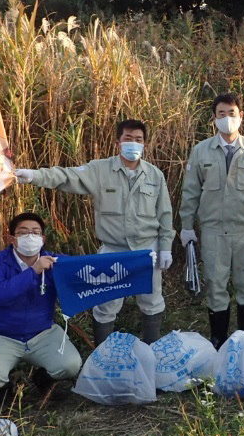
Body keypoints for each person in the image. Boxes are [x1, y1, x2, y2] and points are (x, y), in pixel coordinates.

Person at [15, 119, 175, 347]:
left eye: (138, 140)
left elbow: (165, 215)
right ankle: (102, 356)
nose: (133, 144)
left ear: (144, 144)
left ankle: (151, 352)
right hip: (112, 250)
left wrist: (166, 247)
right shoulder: (100, 170)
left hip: (145, 251)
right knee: (106, 305)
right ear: (118, 141)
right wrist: (34, 176)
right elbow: (67, 176)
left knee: (152, 301)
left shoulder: (154, 175)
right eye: (128, 139)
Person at [179, 93, 244, 344]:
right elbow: (190, 192)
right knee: (216, 286)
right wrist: (186, 227)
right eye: (221, 114)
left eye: (232, 113)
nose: (227, 118)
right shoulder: (201, 151)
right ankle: (218, 342)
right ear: (214, 119)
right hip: (213, 232)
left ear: (241, 116)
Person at [0, 212, 83, 409]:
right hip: (1, 335)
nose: (30, 237)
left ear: (42, 239)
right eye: (23, 233)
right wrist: (34, 271)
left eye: (35, 232)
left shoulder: (54, 261)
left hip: (42, 333)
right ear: (12, 239)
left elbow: (84, 271)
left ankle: (43, 379)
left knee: (71, 365)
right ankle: (3, 389)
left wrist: (138, 261)